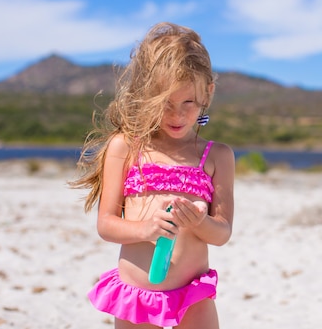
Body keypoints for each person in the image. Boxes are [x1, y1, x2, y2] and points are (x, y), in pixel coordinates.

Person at [71, 22, 235, 329]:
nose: (177, 115)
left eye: (188, 102)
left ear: (208, 94)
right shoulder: (126, 147)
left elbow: (223, 233)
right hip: (138, 297)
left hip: (193, 297)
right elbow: (106, 225)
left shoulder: (217, 156)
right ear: (146, 95)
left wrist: (199, 222)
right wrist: (147, 229)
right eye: (166, 104)